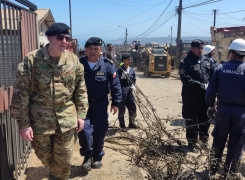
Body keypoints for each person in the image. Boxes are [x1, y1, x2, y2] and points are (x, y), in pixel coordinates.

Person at [10, 23, 88, 180]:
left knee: (65, 159)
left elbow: (81, 89)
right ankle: (55, 173)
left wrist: (81, 115)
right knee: (43, 155)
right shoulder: (31, 61)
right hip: (40, 121)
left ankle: (59, 176)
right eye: (60, 37)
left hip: (66, 119)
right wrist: (24, 124)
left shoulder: (73, 61)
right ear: (49, 37)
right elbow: (20, 93)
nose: (64, 41)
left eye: (68, 38)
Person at [78, 37, 122, 171]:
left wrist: (116, 102)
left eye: (96, 49)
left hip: (101, 104)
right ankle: (87, 156)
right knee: (84, 131)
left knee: (100, 132)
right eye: (90, 48)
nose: (92, 51)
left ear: (100, 50)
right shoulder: (78, 64)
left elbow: (115, 85)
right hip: (82, 105)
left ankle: (97, 157)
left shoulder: (108, 65)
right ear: (85, 50)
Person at [205, 38, 245, 178]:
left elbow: (210, 93)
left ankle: (213, 168)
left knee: (219, 140)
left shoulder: (220, 69)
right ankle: (231, 171)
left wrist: (211, 106)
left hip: (223, 111)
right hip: (241, 113)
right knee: (236, 142)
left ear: (231, 53)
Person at [179, 39, 216, 153]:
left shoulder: (207, 60)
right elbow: (185, 79)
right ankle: (192, 143)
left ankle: (204, 142)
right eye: (199, 48)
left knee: (205, 119)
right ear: (192, 48)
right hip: (191, 98)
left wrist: (212, 85)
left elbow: (214, 74)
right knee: (192, 120)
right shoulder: (185, 62)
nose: (201, 50)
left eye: (202, 48)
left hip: (205, 97)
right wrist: (201, 85)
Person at [117, 53, 137, 128]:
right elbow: (117, 82)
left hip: (130, 91)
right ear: (124, 60)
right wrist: (122, 77)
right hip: (122, 90)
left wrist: (133, 85)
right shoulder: (119, 70)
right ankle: (122, 124)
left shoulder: (131, 69)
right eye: (128, 59)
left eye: (130, 59)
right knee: (122, 108)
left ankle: (131, 122)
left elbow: (134, 79)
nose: (130, 61)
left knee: (132, 107)